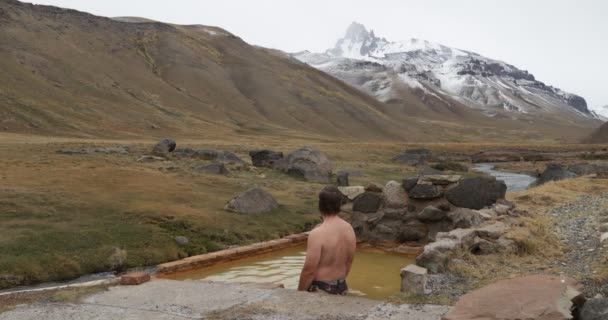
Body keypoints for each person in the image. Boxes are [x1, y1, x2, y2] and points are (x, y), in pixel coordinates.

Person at [297, 186, 356, 295]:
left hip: (321, 288)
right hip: (342, 286)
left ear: (320, 206)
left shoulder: (317, 233)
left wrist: (299, 293)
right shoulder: (349, 229)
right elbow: (349, 261)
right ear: (339, 204)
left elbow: (309, 270)